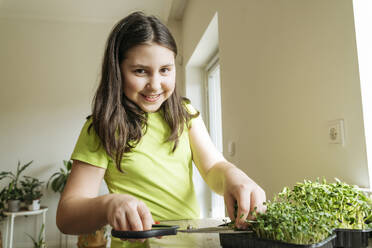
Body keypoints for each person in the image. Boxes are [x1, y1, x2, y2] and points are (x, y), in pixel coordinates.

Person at [56, 11, 266, 248]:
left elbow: (213, 167)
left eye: (165, 70)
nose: (155, 85)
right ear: (117, 70)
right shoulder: (101, 128)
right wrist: (108, 205)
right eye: (140, 71)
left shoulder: (185, 113)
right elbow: (67, 216)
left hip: (192, 243)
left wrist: (233, 176)